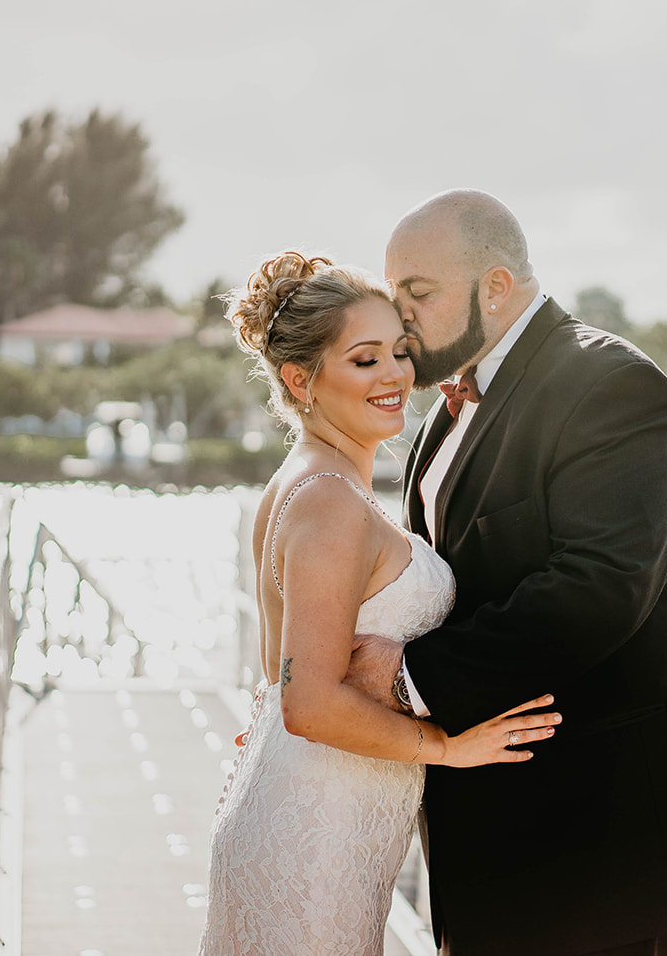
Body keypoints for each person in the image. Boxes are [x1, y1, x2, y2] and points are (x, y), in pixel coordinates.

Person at [345, 190, 667, 955]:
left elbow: (598, 589)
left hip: (608, 841)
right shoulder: (439, 420)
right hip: (493, 840)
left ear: (495, 286)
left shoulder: (613, 386)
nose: (400, 321)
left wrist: (404, 679)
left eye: (417, 295)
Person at [199, 251, 562, 956]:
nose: (396, 374)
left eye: (399, 351)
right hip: (314, 841)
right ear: (302, 379)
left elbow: (280, 678)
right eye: (365, 360)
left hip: (320, 822)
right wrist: (450, 749)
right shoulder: (329, 501)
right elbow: (309, 702)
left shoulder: (310, 481)